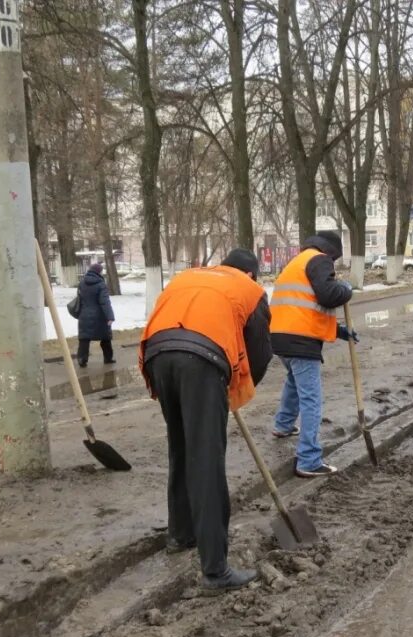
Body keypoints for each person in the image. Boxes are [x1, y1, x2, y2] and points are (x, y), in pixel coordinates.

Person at [139, 249, 272, 592]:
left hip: (157, 354)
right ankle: (216, 570)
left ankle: (181, 534)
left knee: (182, 447)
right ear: (252, 275)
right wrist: (232, 389)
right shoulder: (251, 292)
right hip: (201, 360)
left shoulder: (189, 276)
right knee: (207, 460)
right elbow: (259, 355)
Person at [269, 231, 356, 478]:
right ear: (331, 252)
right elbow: (329, 296)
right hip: (300, 340)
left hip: (280, 335)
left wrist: (340, 331)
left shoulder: (298, 262)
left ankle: (283, 425)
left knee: (294, 382)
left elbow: (305, 306)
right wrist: (346, 289)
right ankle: (308, 459)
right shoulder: (319, 260)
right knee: (312, 398)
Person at [77, 262, 115, 368]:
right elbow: (105, 302)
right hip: (99, 316)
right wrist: (110, 316)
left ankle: (82, 359)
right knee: (105, 338)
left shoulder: (82, 283)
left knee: (84, 339)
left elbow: (80, 299)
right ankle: (108, 358)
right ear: (99, 272)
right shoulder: (101, 284)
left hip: (84, 315)